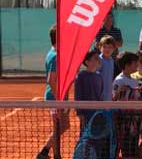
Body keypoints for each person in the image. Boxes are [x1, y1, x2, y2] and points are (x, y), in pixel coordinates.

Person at [36, 25, 71, 159]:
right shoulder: (56, 56)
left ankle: (45, 152)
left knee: (63, 126)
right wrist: (59, 100)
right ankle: (51, 154)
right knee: (59, 127)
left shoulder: (53, 53)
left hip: (59, 96)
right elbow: (51, 80)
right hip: (56, 97)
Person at [113, 52, 142, 157]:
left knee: (133, 145)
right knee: (123, 145)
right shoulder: (119, 80)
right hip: (123, 119)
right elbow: (113, 98)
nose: (137, 65)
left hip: (134, 119)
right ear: (127, 65)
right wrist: (119, 91)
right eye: (135, 63)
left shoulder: (134, 80)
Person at [74, 51, 104, 129]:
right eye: (95, 58)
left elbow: (100, 95)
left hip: (97, 112)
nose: (98, 60)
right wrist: (80, 113)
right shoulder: (81, 76)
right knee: (85, 136)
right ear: (87, 62)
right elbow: (78, 95)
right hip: (86, 112)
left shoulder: (99, 76)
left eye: (98, 58)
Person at [98, 35, 117, 101]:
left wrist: (111, 92)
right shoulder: (98, 60)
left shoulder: (111, 60)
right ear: (99, 47)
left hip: (108, 94)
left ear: (114, 48)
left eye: (110, 47)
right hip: (99, 94)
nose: (107, 49)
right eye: (104, 47)